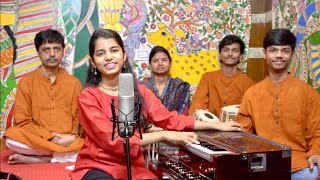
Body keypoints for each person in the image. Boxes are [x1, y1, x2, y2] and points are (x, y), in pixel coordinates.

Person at [70, 29, 242, 180]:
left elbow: (171, 119)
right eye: (100, 53)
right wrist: (164, 135)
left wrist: (217, 125)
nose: (108, 57)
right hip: (97, 167)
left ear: (124, 55)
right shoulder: (88, 97)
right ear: (93, 62)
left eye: (114, 50)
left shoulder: (140, 92)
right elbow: (116, 141)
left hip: (134, 167)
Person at [236, 28, 320, 180]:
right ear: (265, 53)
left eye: (285, 51)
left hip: (299, 165)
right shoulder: (252, 94)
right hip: (262, 164)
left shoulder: (309, 93)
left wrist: (315, 152)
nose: (279, 55)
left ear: (292, 54)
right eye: (273, 50)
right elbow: (243, 134)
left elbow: (316, 132)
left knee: (311, 175)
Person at [3, 29, 83, 164]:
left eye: (57, 49)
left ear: (63, 51)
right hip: (40, 140)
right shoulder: (26, 82)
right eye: (46, 49)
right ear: (38, 53)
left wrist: (72, 137)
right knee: (11, 138)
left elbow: (80, 120)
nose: (52, 54)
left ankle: (42, 159)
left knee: (92, 142)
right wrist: (52, 138)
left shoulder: (74, 83)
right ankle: (62, 155)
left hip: (68, 140)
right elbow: (23, 121)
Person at [189, 35, 255, 117]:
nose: (230, 54)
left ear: (241, 56)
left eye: (235, 51)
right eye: (226, 50)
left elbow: (248, 113)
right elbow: (197, 105)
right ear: (220, 54)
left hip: (235, 127)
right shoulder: (208, 78)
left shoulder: (248, 83)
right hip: (209, 127)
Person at [141, 46, 190, 115]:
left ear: (170, 63)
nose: (160, 63)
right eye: (155, 61)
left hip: (176, 125)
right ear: (150, 64)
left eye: (164, 60)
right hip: (149, 126)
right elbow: (140, 115)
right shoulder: (143, 86)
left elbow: (182, 116)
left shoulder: (180, 86)